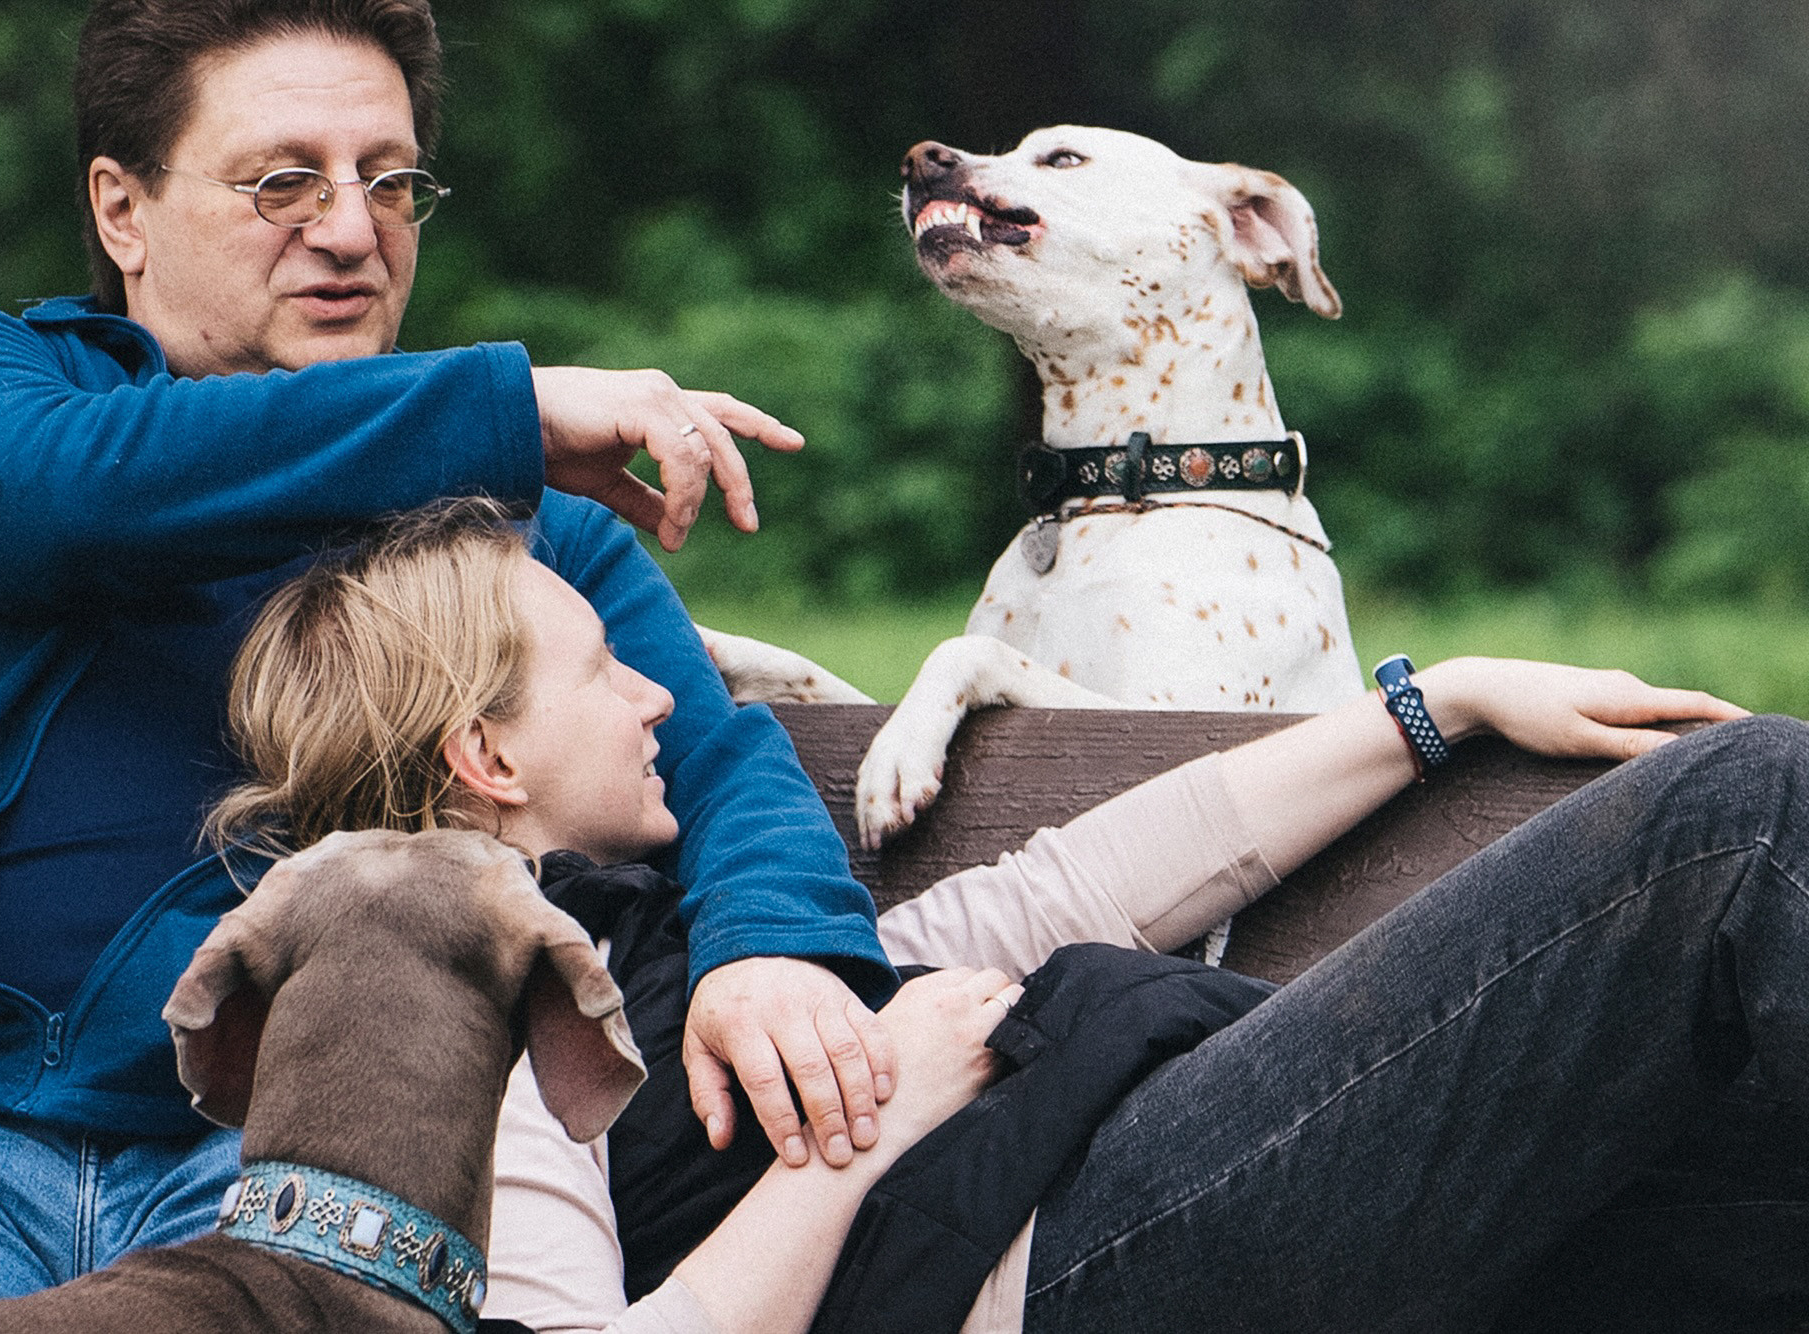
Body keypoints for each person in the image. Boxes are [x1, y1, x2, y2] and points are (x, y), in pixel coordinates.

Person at [0, 1, 904, 1319]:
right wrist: (501, 408)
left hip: (291, 1142)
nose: (350, 229)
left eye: (391, 183)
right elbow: (71, 492)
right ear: (122, 209)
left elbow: (718, 758)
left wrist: (773, 941)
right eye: (285, 181)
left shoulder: (515, 530)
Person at [208, 497, 1808, 1334]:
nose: (652, 690)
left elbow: (1057, 893)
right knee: (1733, 818)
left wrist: (1432, 702)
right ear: (483, 754)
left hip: (1119, 1175)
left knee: (1737, 1224)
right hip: (1051, 1266)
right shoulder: (445, 1012)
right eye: (595, 666)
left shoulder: (650, 924)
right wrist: (887, 1110)